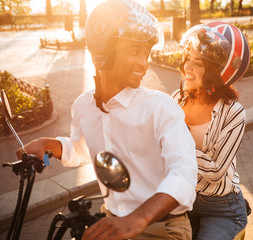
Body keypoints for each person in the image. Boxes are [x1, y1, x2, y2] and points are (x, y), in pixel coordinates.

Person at [16, 0, 197, 239]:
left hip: (162, 227)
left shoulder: (160, 107)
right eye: (134, 51)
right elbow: (82, 149)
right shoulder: (83, 106)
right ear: (102, 49)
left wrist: (138, 219)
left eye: (147, 53)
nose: (144, 62)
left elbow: (184, 172)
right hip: (112, 220)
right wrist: (50, 144)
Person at [171, 22, 251, 240]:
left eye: (197, 63)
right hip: (181, 199)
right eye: (188, 58)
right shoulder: (177, 100)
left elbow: (216, 172)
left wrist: (178, 143)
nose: (187, 67)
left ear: (218, 72)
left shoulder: (234, 113)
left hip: (221, 208)